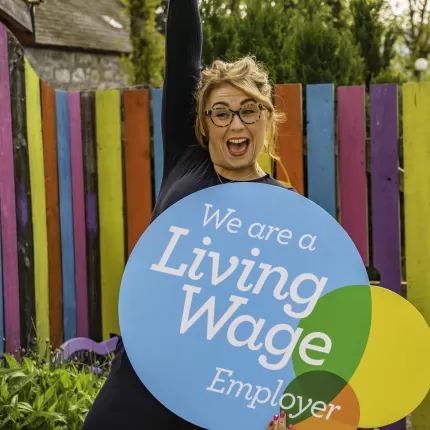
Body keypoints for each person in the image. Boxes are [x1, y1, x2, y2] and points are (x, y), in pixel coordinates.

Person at [82, 0, 295, 428]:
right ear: (204, 122)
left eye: (248, 109)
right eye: (221, 112)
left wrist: (281, 407)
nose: (235, 124)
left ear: (266, 117)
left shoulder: (286, 211)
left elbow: (289, 321)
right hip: (138, 383)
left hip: (211, 401)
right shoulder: (187, 158)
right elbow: (183, 53)